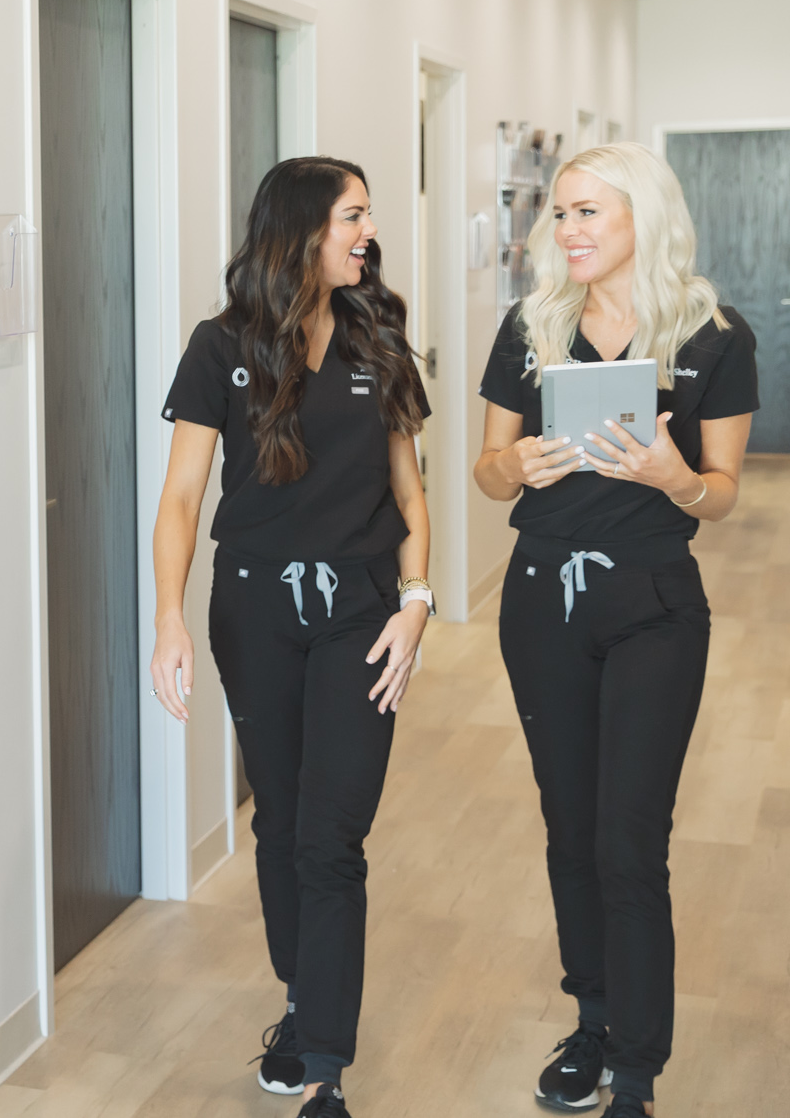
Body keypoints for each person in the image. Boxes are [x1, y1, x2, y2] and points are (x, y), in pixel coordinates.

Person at [473, 142, 757, 1118]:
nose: (567, 231)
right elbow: (483, 466)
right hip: (539, 599)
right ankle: (590, 1021)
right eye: (559, 214)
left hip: (650, 604)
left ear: (643, 216)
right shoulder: (529, 325)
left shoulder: (713, 335)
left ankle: (633, 1069)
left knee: (627, 838)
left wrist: (667, 475)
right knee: (568, 826)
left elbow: (718, 495)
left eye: (588, 211)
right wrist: (521, 469)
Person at [149, 157, 432, 1118]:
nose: (368, 231)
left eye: (366, 216)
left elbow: (410, 491)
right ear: (305, 229)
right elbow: (183, 497)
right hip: (254, 610)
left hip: (362, 611)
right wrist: (168, 618)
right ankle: (305, 999)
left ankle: (324, 1070)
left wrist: (418, 600)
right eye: (354, 215)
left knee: (331, 834)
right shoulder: (220, 345)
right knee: (279, 820)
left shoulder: (378, 335)